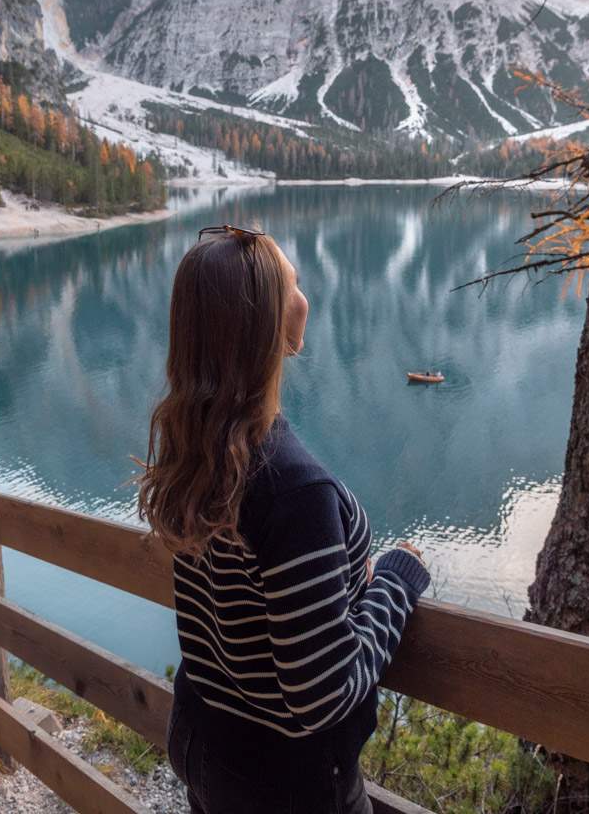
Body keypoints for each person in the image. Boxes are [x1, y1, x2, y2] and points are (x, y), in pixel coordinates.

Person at [137, 224, 431, 813]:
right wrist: (396, 581)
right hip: (284, 785)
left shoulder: (194, 451)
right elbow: (322, 696)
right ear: (270, 327)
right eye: (293, 285)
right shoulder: (294, 489)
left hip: (205, 742)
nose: (307, 298)